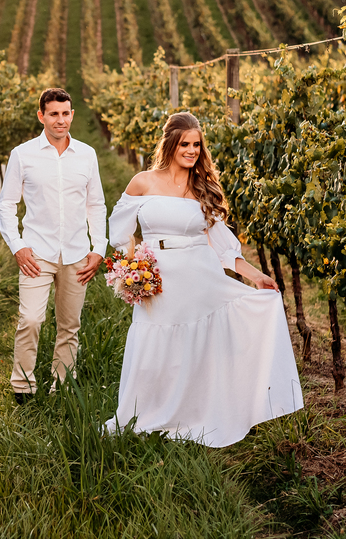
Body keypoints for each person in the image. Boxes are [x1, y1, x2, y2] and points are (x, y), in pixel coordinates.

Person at [104, 111, 302, 446]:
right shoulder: (143, 182)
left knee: (196, 346)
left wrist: (256, 276)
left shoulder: (203, 187)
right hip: (158, 277)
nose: (192, 150)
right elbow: (121, 234)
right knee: (155, 347)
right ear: (171, 144)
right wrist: (133, 268)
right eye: (185, 144)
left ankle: (197, 412)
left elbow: (224, 248)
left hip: (199, 275)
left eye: (196, 144)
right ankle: (148, 412)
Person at [0, 88, 107, 404]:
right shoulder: (23, 155)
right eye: (54, 114)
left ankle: (62, 384)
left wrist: (98, 247)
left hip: (76, 253)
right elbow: (7, 204)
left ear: (72, 114)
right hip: (36, 252)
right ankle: (23, 386)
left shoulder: (87, 155)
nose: (61, 120)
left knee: (69, 325)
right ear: (41, 116)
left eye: (66, 113)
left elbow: (96, 204)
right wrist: (17, 246)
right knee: (30, 319)